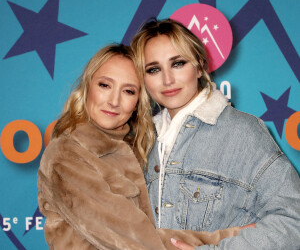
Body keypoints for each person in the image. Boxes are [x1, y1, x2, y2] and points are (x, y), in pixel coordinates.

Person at [37, 44, 243, 250]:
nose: (114, 101)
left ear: (138, 101)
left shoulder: (136, 150)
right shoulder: (67, 154)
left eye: (128, 91)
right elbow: (138, 239)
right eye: (104, 85)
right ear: (87, 87)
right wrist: (233, 237)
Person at [131, 18, 300, 250]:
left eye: (178, 63)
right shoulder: (142, 141)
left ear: (200, 66)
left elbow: (293, 220)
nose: (167, 79)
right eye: (154, 69)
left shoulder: (242, 133)